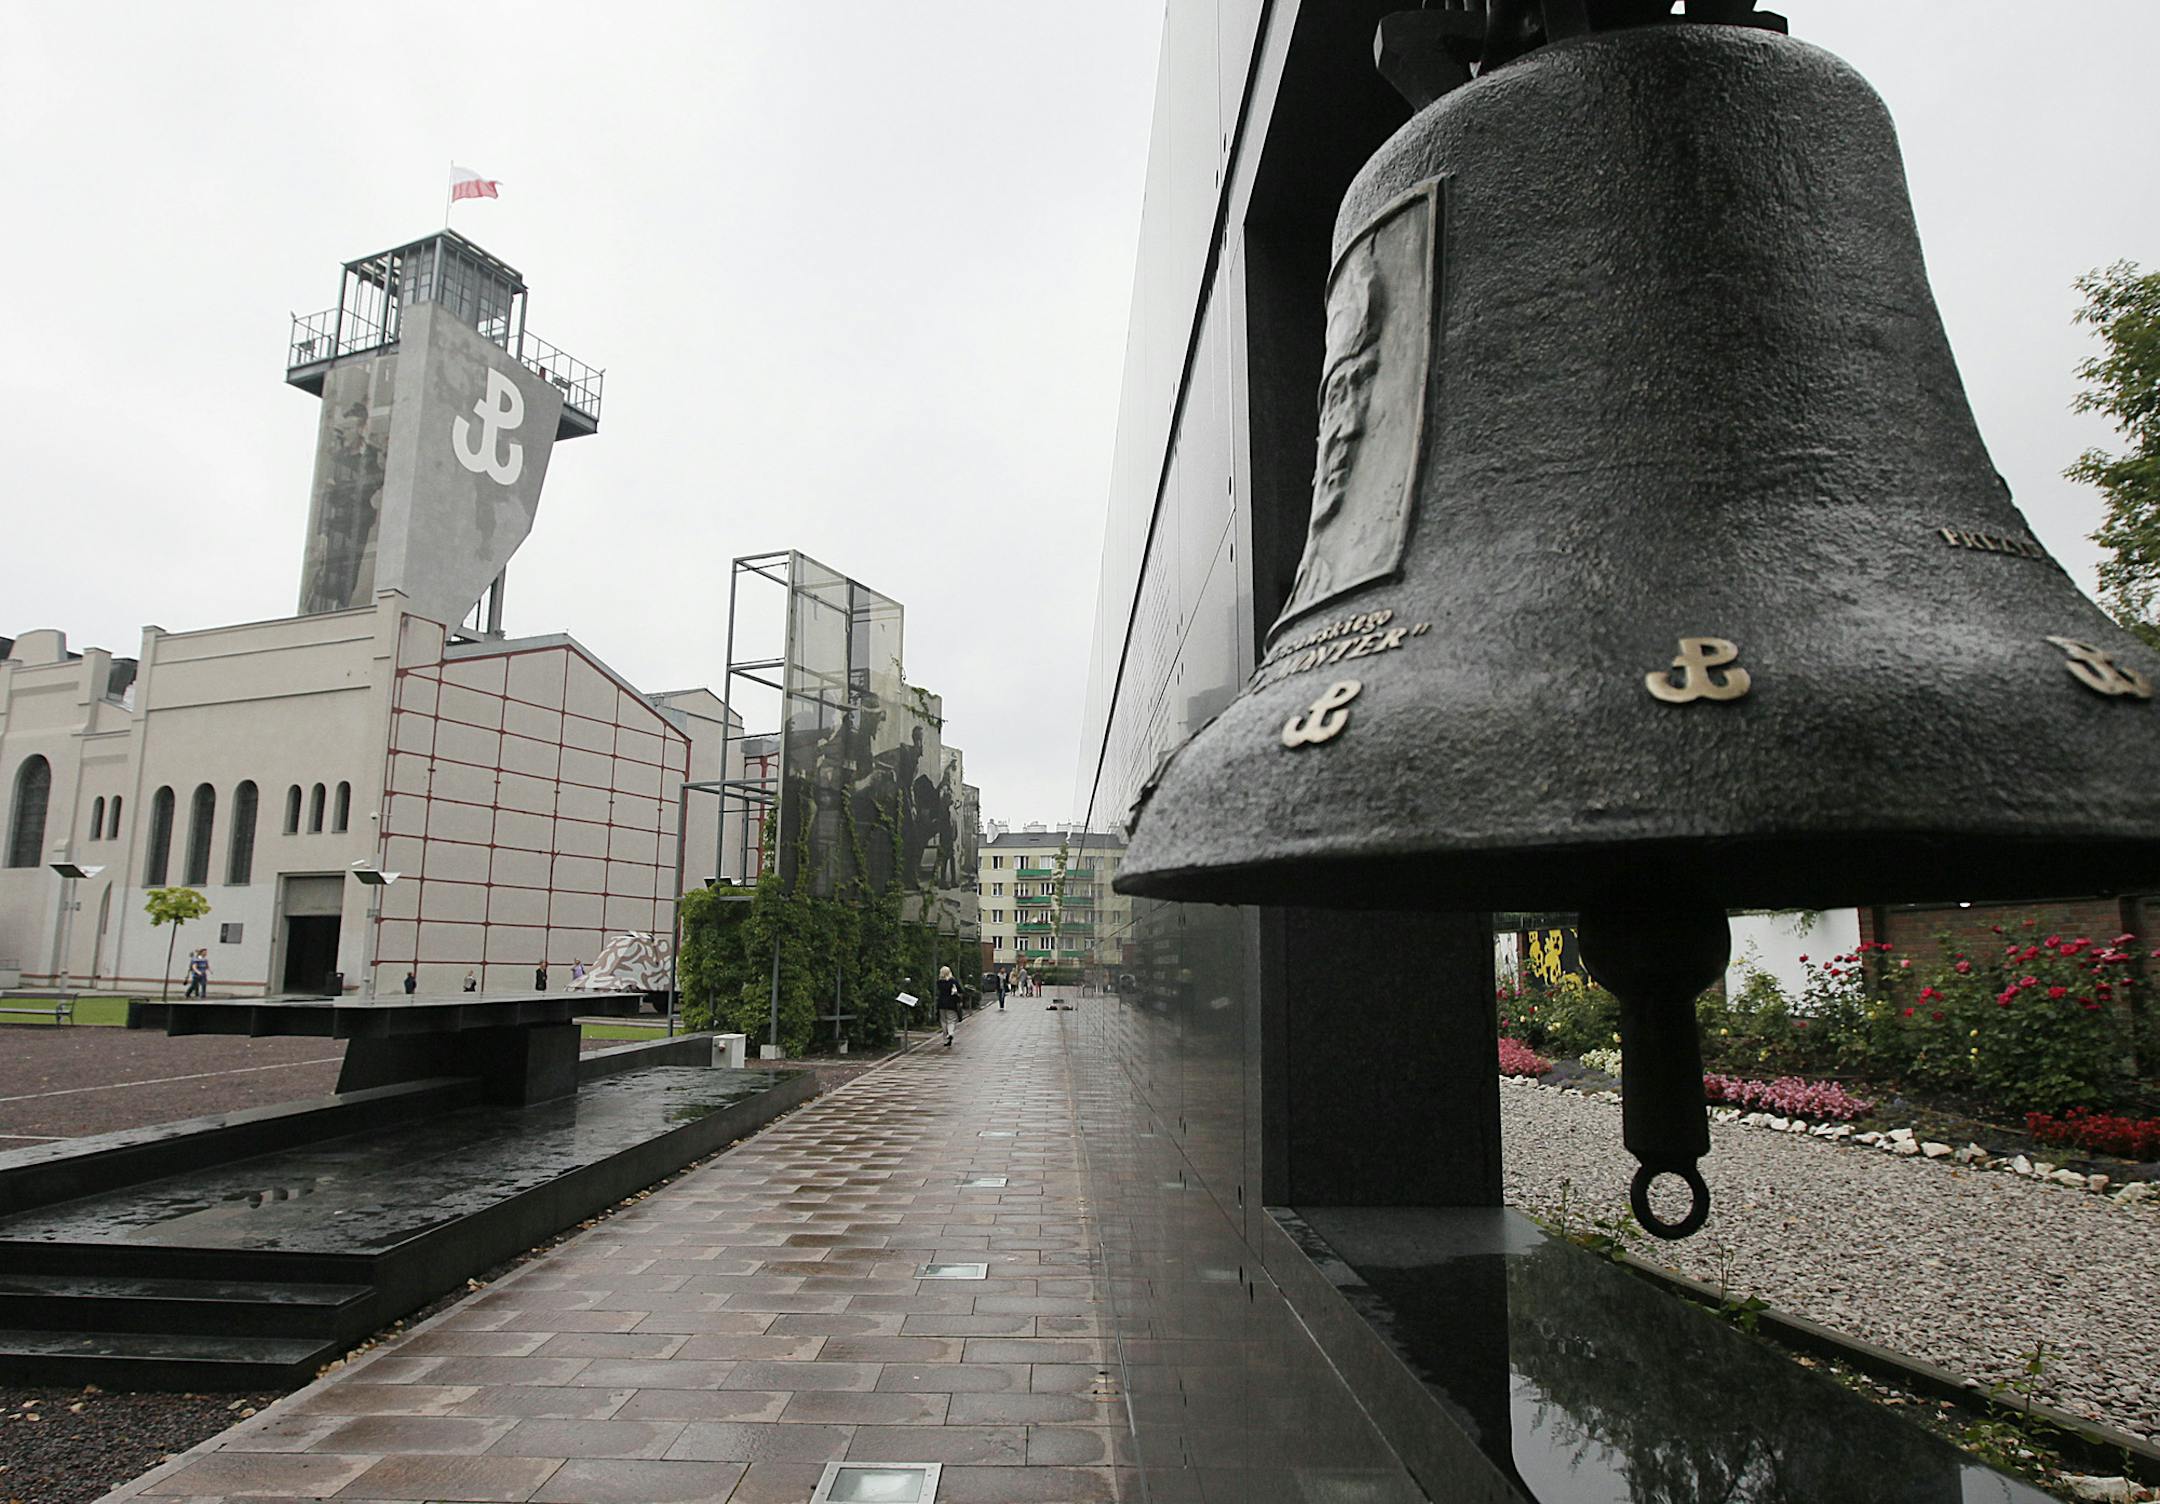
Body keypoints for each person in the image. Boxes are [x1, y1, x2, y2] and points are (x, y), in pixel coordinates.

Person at [936, 965, 960, 1048]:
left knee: (943, 1020)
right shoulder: (953, 981)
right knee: (951, 1020)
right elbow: (960, 990)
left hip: (941, 1003)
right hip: (951, 1003)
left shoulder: (939, 982)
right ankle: (950, 1033)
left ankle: (946, 1036)